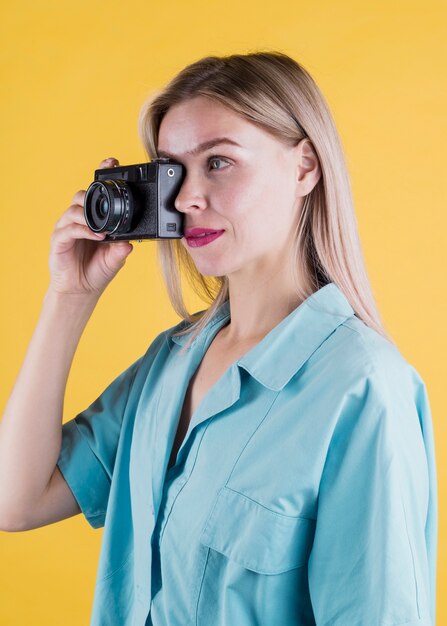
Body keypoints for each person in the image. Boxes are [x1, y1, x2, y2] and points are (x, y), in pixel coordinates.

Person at [0, 51, 437, 626]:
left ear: (305, 166)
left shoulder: (362, 389)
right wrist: (69, 298)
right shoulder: (171, 362)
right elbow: (17, 498)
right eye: (173, 171)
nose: (186, 199)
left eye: (220, 163)